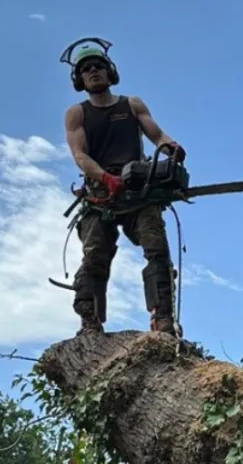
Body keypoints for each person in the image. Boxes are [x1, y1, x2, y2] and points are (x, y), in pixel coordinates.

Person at [61, 38, 186, 336]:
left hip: (138, 192)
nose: (93, 71)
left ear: (109, 71)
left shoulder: (131, 104)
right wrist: (105, 178)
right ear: (79, 78)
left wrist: (170, 148)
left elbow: (158, 135)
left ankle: (163, 319)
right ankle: (90, 324)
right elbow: (80, 155)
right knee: (94, 257)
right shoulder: (77, 114)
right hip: (99, 195)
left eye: (98, 66)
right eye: (86, 69)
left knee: (157, 250)